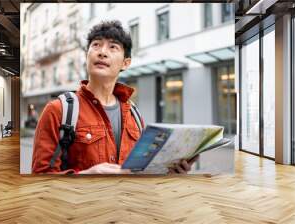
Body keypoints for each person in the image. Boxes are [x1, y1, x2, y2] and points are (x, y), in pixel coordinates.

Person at [32, 20, 197, 174]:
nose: (102, 52)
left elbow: (140, 172)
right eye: (96, 45)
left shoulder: (134, 116)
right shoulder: (59, 110)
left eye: (113, 47)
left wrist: (169, 171)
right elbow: (41, 179)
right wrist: (85, 176)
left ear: (125, 63)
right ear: (86, 56)